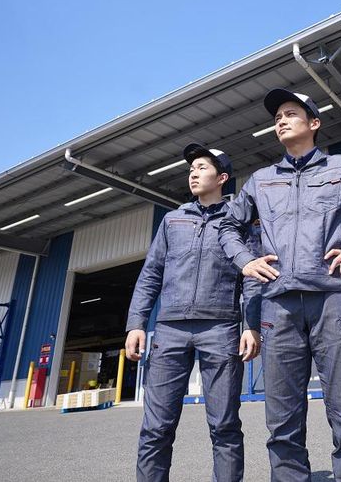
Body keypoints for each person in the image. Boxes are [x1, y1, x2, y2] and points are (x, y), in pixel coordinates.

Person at [218, 88, 341, 482]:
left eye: (290, 114)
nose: (281, 121)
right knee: (282, 420)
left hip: (333, 302)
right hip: (278, 307)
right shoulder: (261, 181)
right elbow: (228, 226)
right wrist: (245, 260)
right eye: (277, 118)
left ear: (314, 123)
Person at [125, 143, 261, 482]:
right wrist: (136, 323)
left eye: (202, 168)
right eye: (191, 169)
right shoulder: (173, 221)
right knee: (156, 427)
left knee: (224, 425)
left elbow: (252, 277)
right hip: (170, 329)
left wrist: (251, 325)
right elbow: (151, 274)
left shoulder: (239, 222)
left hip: (220, 328)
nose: (194, 174)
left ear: (222, 178)